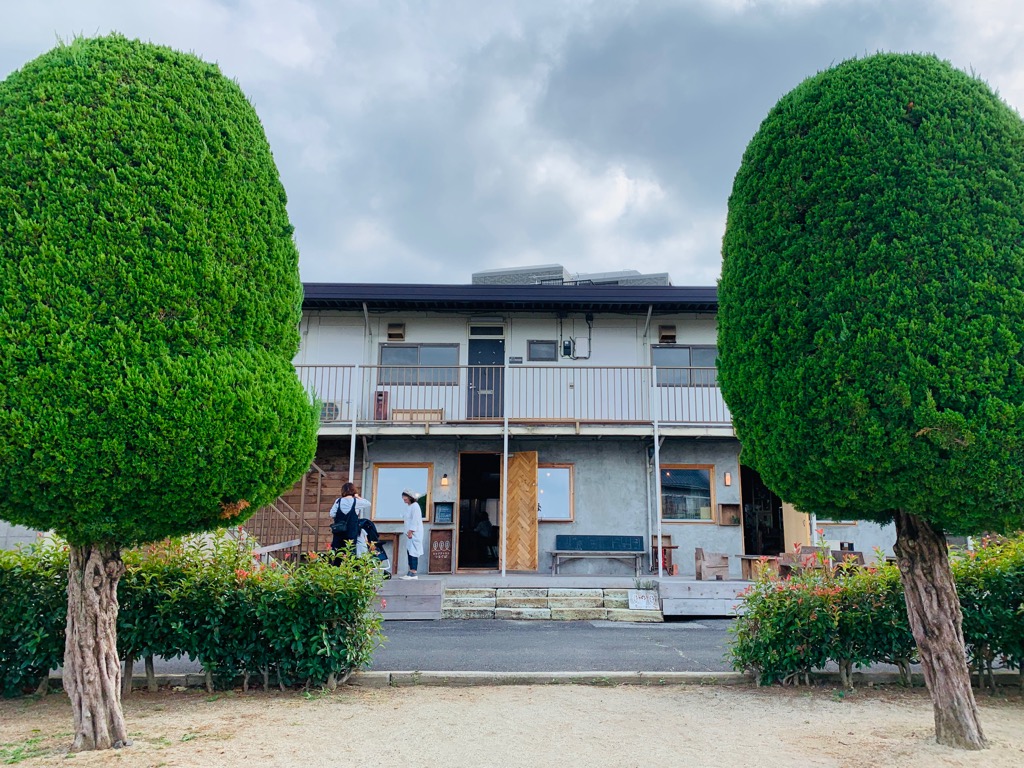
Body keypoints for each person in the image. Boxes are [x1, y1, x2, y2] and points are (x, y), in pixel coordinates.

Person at [330, 482, 370, 561]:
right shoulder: (356, 502)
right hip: (351, 533)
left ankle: (336, 570)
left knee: (338, 553)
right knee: (351, 553)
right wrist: (358, 497)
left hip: (339, 532)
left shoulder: (338, 501)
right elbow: (368, 503)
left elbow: (332, 513)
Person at [399, 488, 424, 579]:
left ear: (410, 497)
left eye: (405, 498)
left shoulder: (415, 506)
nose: (404, 500)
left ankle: (413, 572)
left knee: (413, 552)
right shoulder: (409, 507)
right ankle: (410, 571)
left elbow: (415, 520)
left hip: (414, 533)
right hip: (409, 533)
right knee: (409, 551)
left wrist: (411, 531)